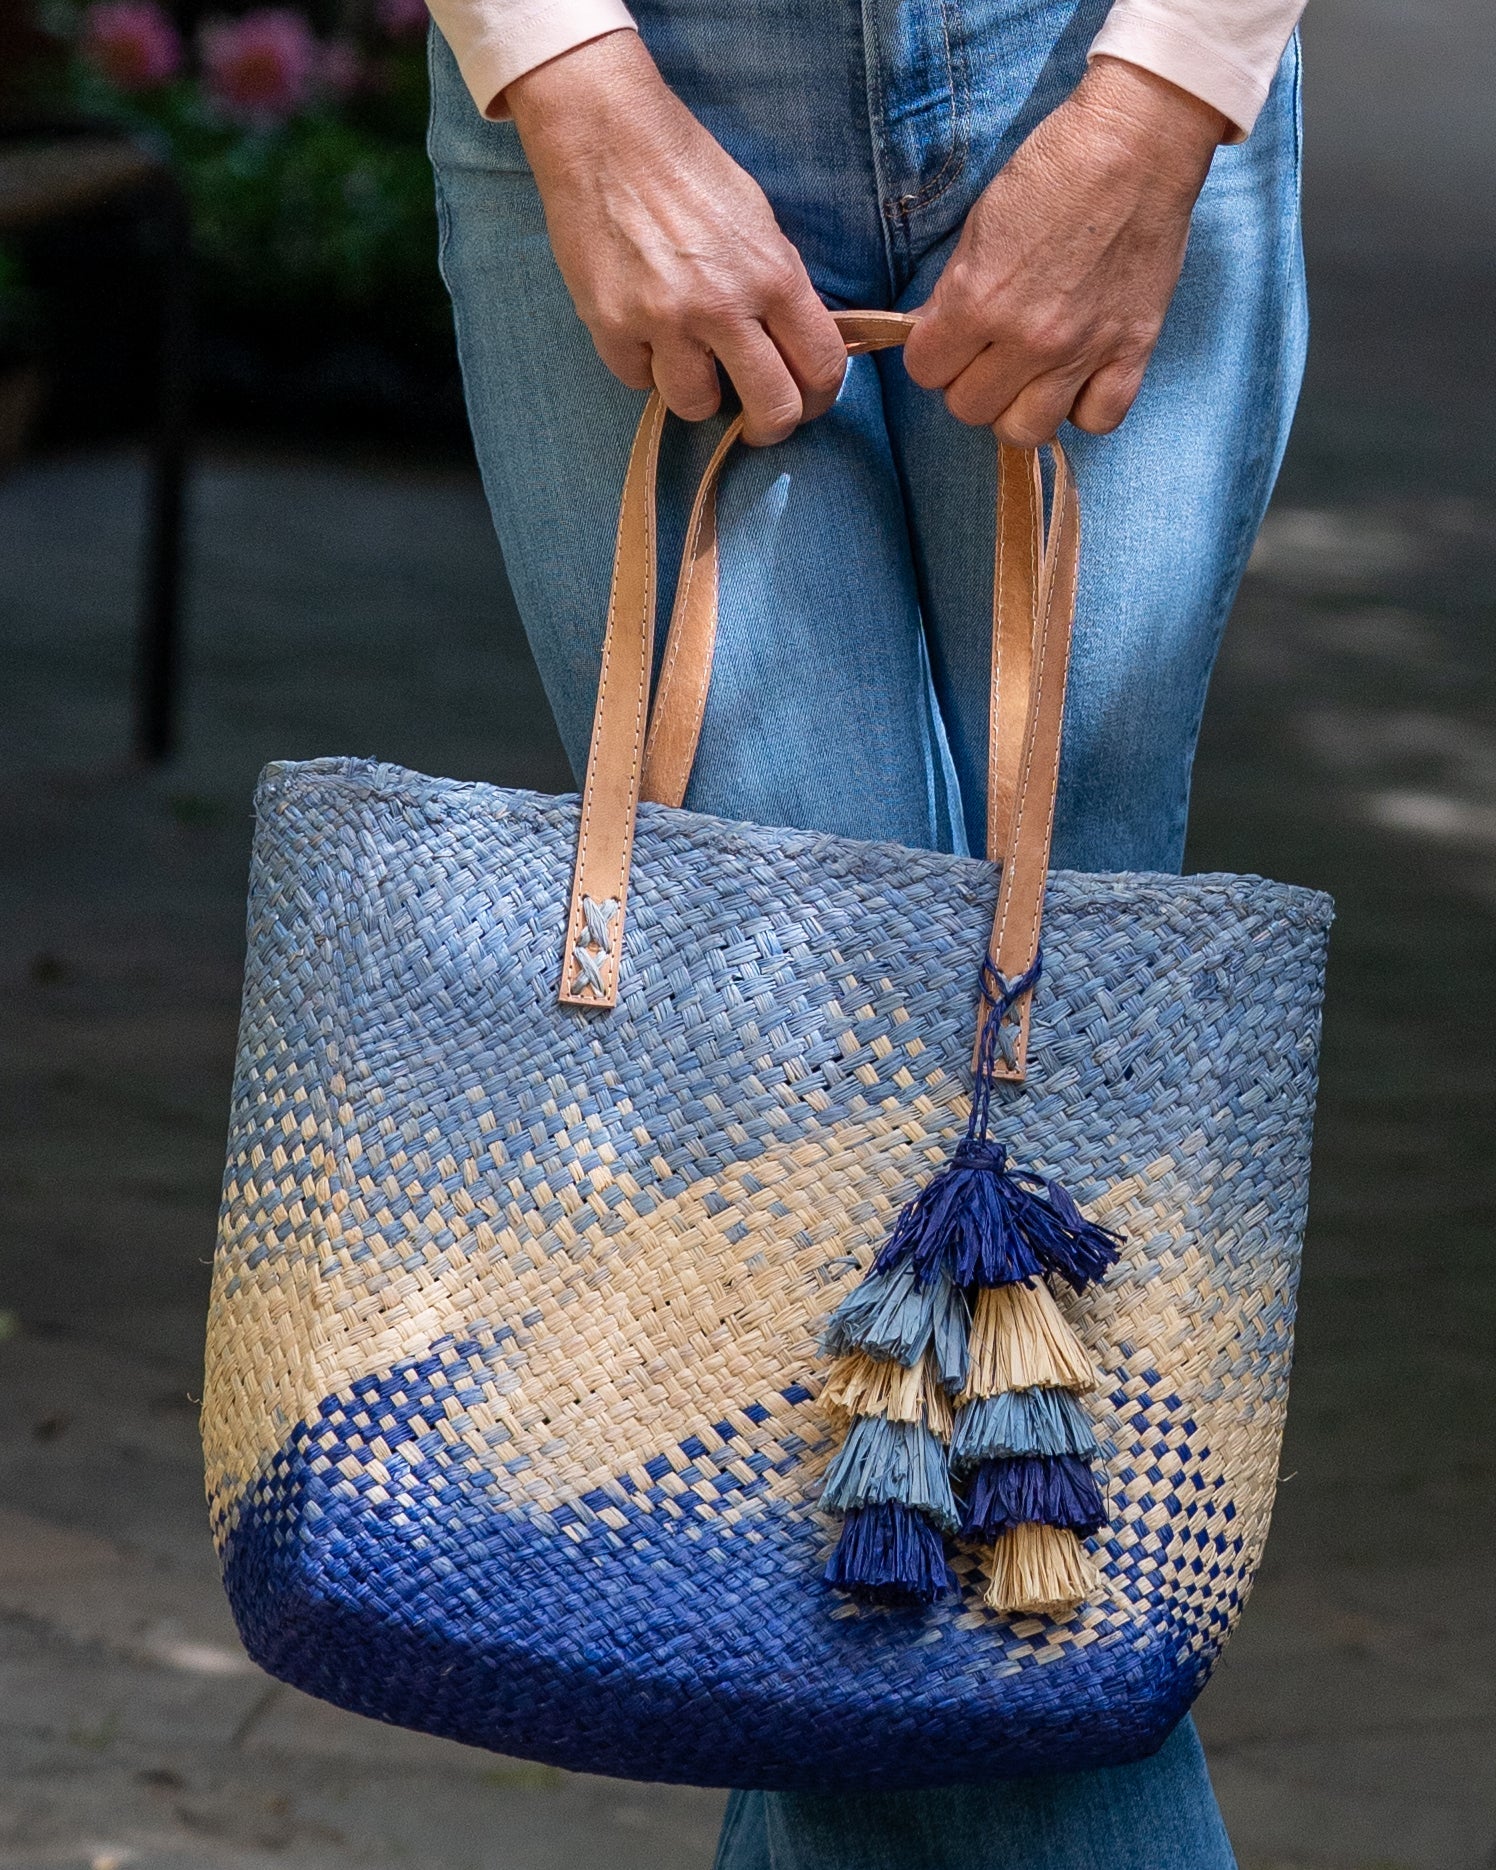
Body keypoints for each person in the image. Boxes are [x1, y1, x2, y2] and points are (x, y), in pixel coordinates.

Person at [422, 0, 1307, 1859]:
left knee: (1043, 1115)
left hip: (1104, 57)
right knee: (833, 1127)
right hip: (632, 71)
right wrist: (566, 76)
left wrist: (1165, 97)